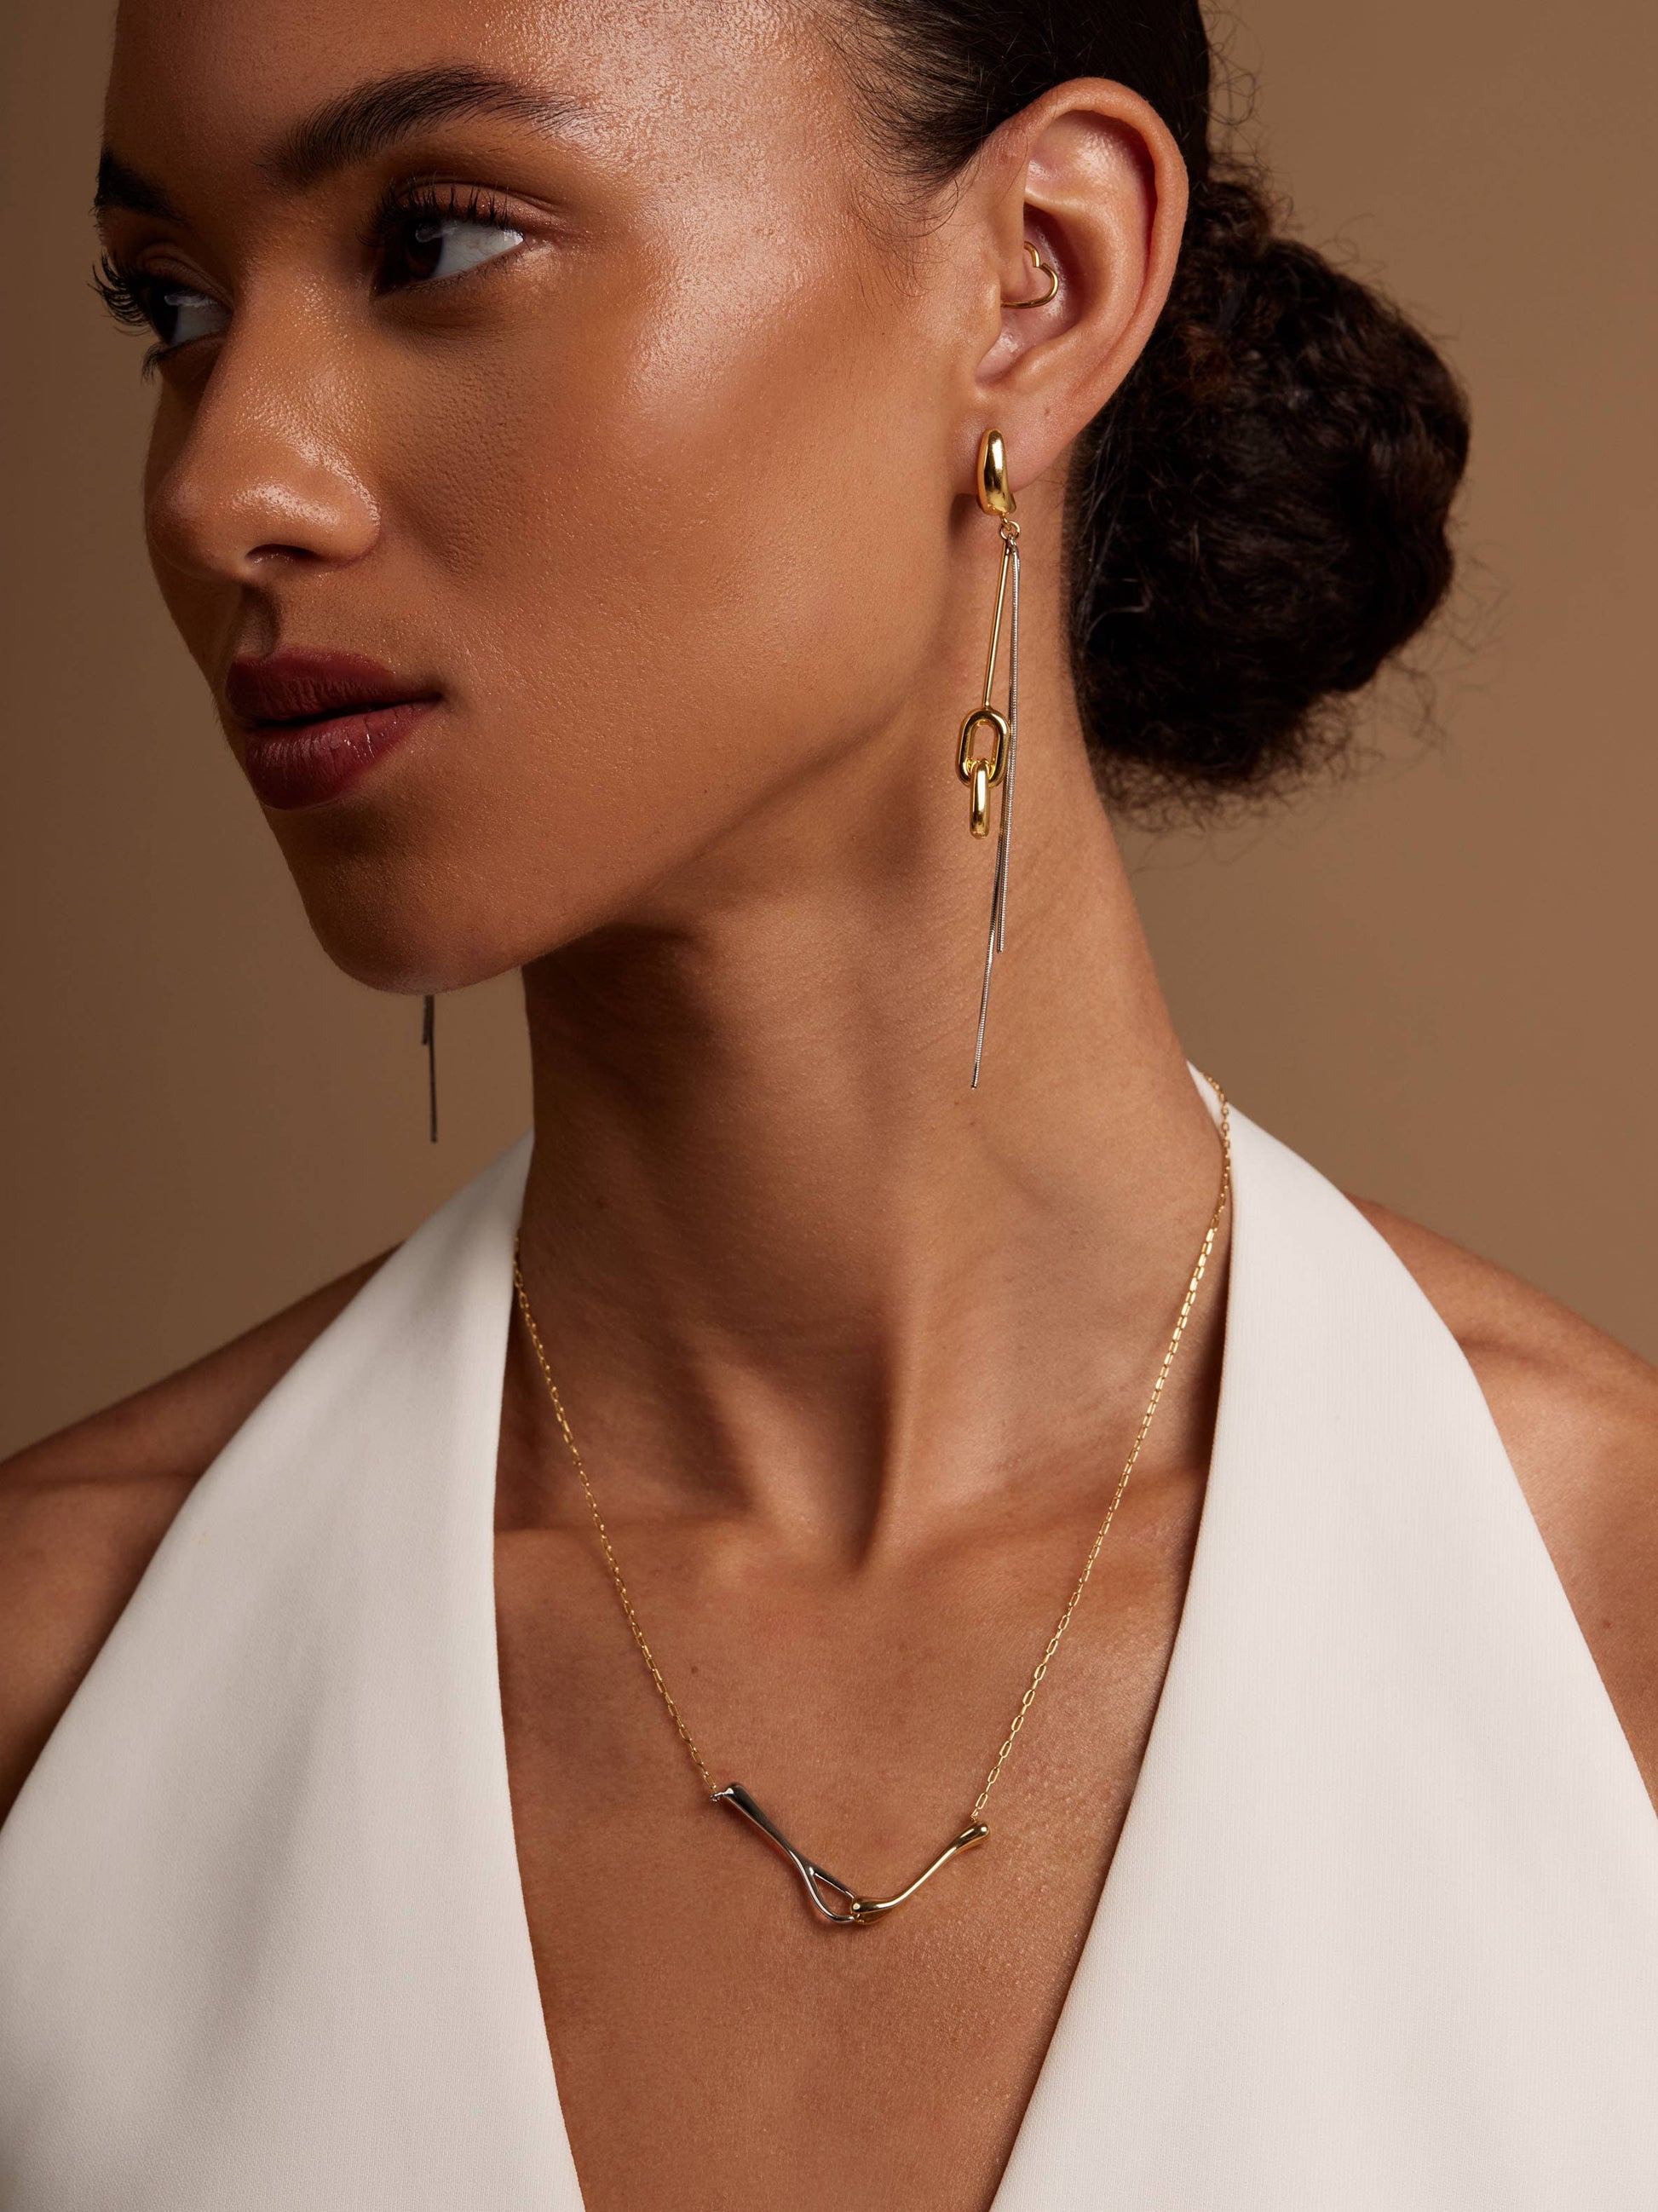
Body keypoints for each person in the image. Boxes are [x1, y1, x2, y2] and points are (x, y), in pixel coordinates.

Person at [2, 0, 1655, 2204]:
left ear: (1034, 275)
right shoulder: (56, 1703)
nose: (222, 484)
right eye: (175, 309)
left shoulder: (1605, 1670)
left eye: (435, 245)